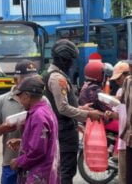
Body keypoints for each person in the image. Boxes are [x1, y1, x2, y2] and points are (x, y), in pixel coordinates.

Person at [43, 39, 103, 184]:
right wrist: (88, 114)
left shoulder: (50, 74)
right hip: (64, 133)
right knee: (66, 171)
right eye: (70, 60)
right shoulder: (58, 78)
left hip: (59, 130)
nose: (72, 63)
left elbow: (58, 105)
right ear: (63, 60)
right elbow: (62, 108)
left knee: (62, 170)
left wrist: (81, 108)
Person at [0, 59, 42, 184]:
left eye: (34, 79)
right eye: (27, 79)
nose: (32, 83)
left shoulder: (42, 100)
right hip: (11, 162)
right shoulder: (2, 100)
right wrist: (5, 127)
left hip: (35, 162)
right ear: (16, 80)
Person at [9, 76, 60, 184]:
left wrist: (18, 161)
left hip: (39, 174)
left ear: (27, 96)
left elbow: (38, 150)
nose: (20, 102)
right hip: (48, 172)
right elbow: (44, 140)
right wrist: (23, 142)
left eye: (20, 97)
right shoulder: (46, 110)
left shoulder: (38, 115)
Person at [104, 61, 130, 184]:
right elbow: (119, 115)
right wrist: (111, 114)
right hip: (123, 140)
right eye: (117, 79)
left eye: (120, 78)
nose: (118, 81)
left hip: (129, 139)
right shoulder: (120, 92)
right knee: (124, 176)